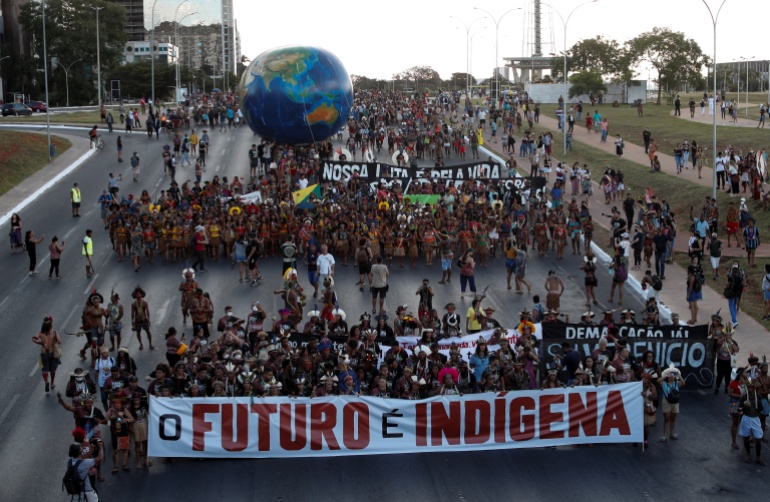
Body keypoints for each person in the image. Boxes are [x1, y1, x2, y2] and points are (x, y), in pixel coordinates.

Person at [32, 316, 61, 392]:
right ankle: (52, 383)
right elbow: (60, 341)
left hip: (44, 353)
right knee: (52, 369)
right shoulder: (54, 332)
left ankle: (46, 382)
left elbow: (34, 339)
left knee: (44, 370)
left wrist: (41, 343)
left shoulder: (40, 333)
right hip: (52, 353)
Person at [658, 365, 684, 442]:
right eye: (670, 376)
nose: (671, 377)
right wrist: (665, 375)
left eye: (672, 376)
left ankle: (672, 433)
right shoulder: (664, 383)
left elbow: (683, 383)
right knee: (666, 419)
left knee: (673, 419)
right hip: (666, 402)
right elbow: (658, 381)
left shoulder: (677, 383)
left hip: (675, 402)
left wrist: (679, 375)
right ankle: (665, 435)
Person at [131, 286, 154, 350]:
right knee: (138, 332)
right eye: (137, 294)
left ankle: (150, 344)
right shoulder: (133, 304)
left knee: (148, 332)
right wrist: (132, 322)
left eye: (139, 294)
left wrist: (148, 319)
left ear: (141, 295)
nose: (138, 295)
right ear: (135, 296)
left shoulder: (144, 303)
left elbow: (147, 311)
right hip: (137, 320)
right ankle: (140, 344)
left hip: (144, 320)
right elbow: (132, 314)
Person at [725, 262, 744, 327]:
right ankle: (733, 320)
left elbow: (728, 285)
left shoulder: (731, 277)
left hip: (731, 294)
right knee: (734, 307)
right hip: (737, 294)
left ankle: (734, 321)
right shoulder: (740, 278)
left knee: (731, 307)